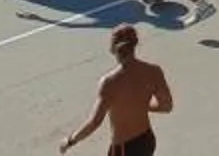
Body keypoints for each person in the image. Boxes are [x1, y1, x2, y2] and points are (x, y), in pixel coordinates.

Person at [59, 23, 172, 155]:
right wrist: (140, 105)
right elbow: (166, 106)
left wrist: (70, 140)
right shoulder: (154, 71)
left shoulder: (109, 82)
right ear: (135, 44)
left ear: (113, 48)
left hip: (124, 148)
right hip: (147, 140)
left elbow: (94, 122)